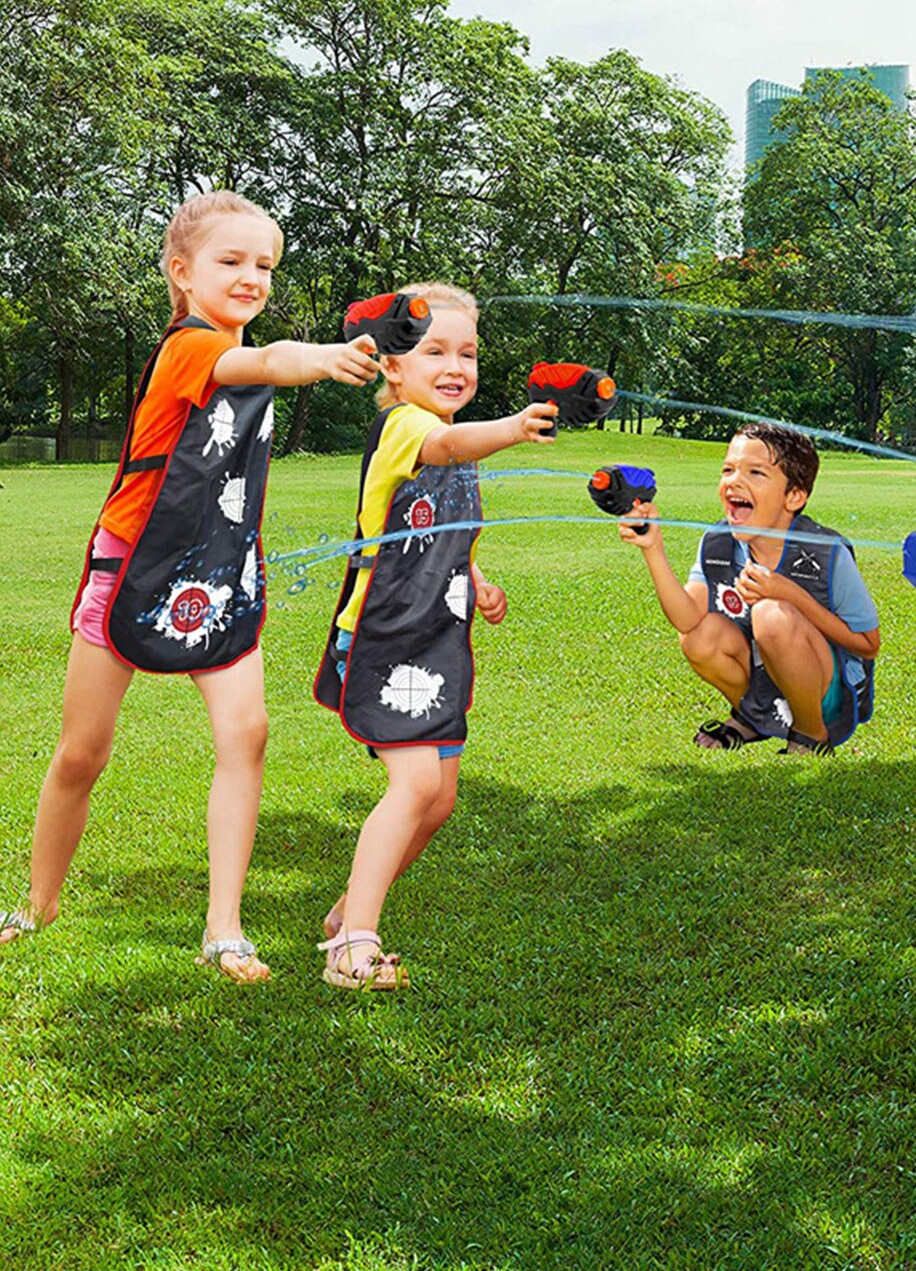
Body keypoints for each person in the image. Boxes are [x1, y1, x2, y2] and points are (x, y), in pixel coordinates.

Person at [0, 190, 380, 982]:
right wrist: (308, 358)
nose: (251, 277)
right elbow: (262, 361)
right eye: (231, 261)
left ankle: (224, 929)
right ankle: (38, 902)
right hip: (132, 562)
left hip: (220, 569)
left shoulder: (235, 342)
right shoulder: (190, 347)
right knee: (82, 752)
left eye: (265, 264)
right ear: (183, 271)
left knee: (247, 737)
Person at [313, 283, 556, 989]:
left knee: (439, 799)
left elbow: (440, 527)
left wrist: (476, 577)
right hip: (383, 640)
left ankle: (344, 910)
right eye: (435, 351)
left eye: (468, 352)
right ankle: (353, 948)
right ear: (392, 366)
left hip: (437, 638)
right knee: (414, 782)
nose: (456, 365)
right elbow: (446, 445)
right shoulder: (409, 427)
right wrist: (513, 426)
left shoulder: (451, 436)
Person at [620, 421, 879, 754]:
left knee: (772, 615)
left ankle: (810, 734)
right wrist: (653, 549)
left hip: (827, 689)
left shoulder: (826, 553)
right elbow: (687, 621)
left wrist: (790, 595)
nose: (734, 481)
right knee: (699, 636)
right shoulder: (719, 543)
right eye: (728, 469)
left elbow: (868, 645)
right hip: (766, 675)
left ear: (794, 496)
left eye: (756, 473)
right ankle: (751, 718)